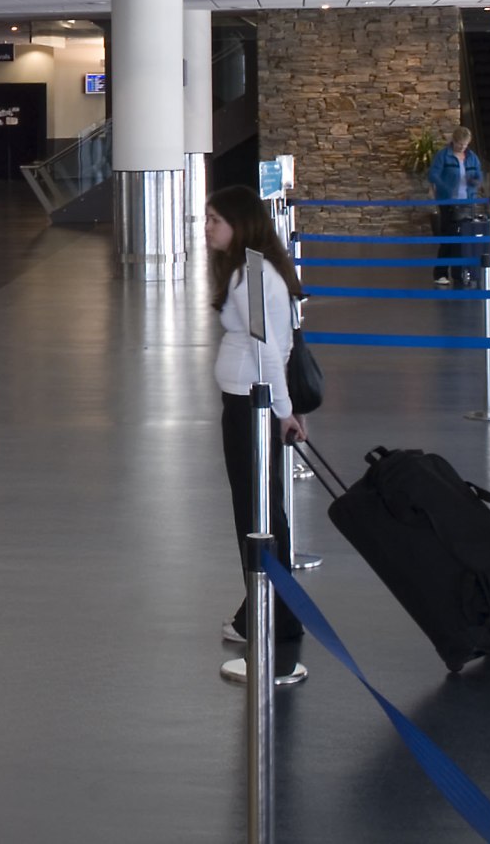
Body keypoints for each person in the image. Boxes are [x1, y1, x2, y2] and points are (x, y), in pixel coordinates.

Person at [205, 186, 306, 687]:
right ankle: (260, 609)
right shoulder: (249, 271)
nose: (208, 228)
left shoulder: (253, 277)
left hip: (254, 407)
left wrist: (284, 412)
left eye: (215, 219)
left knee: (258, 514)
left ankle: (275, 616)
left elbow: (270, 351)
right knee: (258, 511)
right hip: (248, 404)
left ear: (240, 223)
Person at [428, 125, 483, 289]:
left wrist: (475, 182)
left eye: (465, 145)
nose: (462, 147)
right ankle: (440, 273)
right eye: (460, 144)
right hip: (448, 203)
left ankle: (459, 274)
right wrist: (444, 187)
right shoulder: (443, 156)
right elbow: (433, 175)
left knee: (463, 240)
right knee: (448, 239)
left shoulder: (472, 158)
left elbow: (478, 175)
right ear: (454, 140)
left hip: (467, 203)